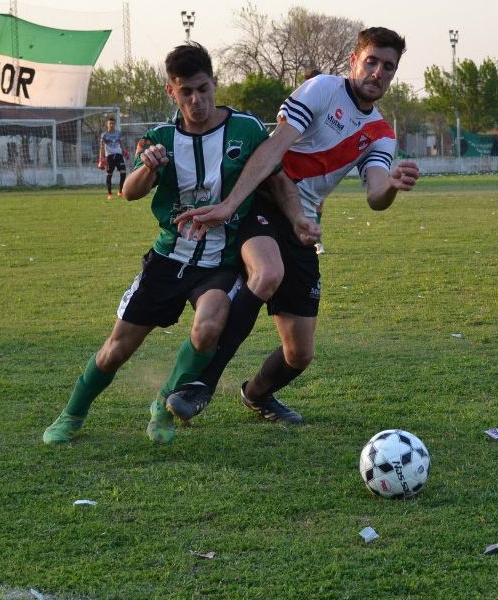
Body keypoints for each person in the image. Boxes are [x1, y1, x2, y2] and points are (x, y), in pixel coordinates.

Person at [42, 42, 314, 445]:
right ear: (172, 92)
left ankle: (163, 402)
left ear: (214, 84)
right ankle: (73, 412)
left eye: (203, 89)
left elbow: (277, 181)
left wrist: (297, 219)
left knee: (208, 325)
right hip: (168, 259)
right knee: (115, 350)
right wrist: (147, 168)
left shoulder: (246, 129)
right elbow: (131, 192)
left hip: (219, 262)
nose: (197, 100)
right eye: (186, 91)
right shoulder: (160, 138)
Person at [164, 27, 420, 425]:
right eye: (371, 61)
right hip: (263, 202)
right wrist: (231, 204)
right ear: (354, 60)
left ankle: (256, 395)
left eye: (388, 67)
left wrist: (391, 185)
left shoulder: (381, 134)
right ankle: (202, 385)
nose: (378, 72)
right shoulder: (321, 89)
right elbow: (273, 148)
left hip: (304, 227)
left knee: (299, 354)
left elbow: (374, 196)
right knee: (267, 272)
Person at [98, 117, 129, 200]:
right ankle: (110, 193)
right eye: (110, 123)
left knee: (123, 172)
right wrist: (101, 159)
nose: (111, 125)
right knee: (109, 175)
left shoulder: (118, 133)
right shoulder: (104, 135)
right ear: (107, 124)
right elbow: (101, 147)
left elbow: (121, 142)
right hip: (109, 156)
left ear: (115, 124)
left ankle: (120, 191)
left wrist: (124, 151)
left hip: (118, 155)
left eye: (113, 123)